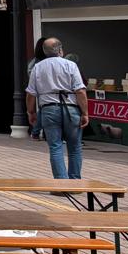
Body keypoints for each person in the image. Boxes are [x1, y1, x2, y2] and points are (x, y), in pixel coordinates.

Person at [24, 37, 88, 179]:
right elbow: (80, 91)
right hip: (71, 108)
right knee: (75, 147)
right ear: (60, 50)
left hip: (48, 109)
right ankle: (75, 181)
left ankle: (61, 182)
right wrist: (85, 113)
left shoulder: (37, 67)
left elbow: (31, 93)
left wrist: (31, 112)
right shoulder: (70, 65)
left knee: (55, 147)